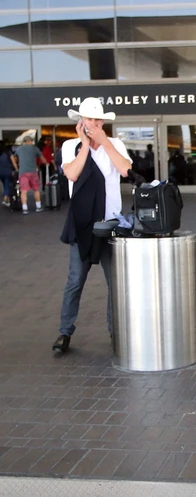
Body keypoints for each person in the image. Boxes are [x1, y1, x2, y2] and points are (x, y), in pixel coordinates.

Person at [53, 97, 132, 353]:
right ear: (81, 121)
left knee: (115, 283)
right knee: (75, 280)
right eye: (89, 119)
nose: (94, 123)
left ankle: (115, 332)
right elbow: (72, 174)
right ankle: (65, 332)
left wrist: (105, 142)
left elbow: (125, 170)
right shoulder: (70, 146)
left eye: (98, 119)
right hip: (82, 223)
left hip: (110, 223)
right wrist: (85, 145)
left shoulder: (115, 144)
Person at [14, 136, 45, 214]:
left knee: (23, 191)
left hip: (22, 172)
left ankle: (25, 208)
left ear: (24, 142)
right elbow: (42, 158)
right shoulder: (35, 148)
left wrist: (17, 166)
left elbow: (15, 158)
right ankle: (38, 207)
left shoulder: (19, 149)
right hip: (33, 172)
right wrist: (46, 163)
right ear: (30, 141)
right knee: (36, 189)